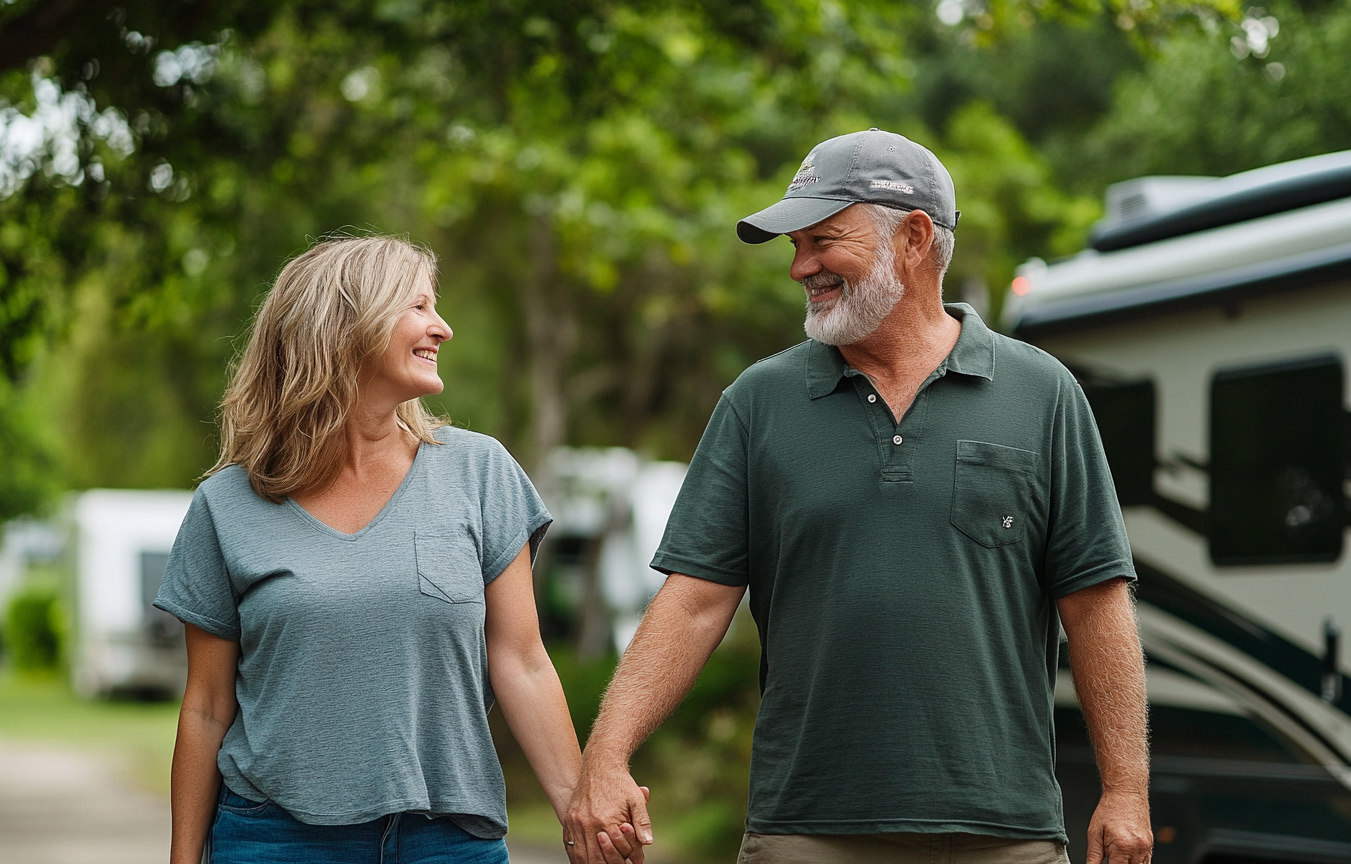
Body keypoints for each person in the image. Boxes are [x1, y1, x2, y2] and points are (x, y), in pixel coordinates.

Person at [565, 129, 1152, 864]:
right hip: (805, 829)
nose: (800, 267)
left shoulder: (1043, 395)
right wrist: (606, 753)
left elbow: (1096, 600)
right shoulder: (759, 402)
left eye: (822, 241)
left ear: (912, 238)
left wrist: (1126, 788)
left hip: (1003, 832)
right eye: (796, 246)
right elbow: (693, 600)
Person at [154, 236, 582, 864]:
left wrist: (583, 812)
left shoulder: (479, 472)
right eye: (418, 307)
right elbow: (206, 708)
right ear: (346, 326)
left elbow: (521, 660)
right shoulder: (227, 505)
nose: (443, 327)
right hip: (273, 841)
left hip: (446, 842)